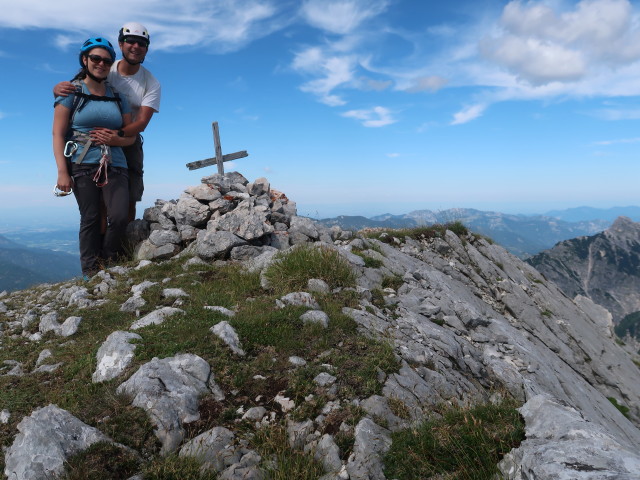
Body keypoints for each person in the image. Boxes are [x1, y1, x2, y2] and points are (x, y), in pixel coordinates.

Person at [54, 22, 161, 222]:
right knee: (99, 202)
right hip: (93, 138)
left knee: (129, 197)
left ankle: (124, 246)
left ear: (146, 49)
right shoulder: (105, 64)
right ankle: (102, 249)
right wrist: (58, 89)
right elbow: (81, 85)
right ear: (121, 44)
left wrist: (117, 136)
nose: (136, 46)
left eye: (141, 43)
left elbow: (142, 123)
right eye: (131, 41)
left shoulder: (151, 82)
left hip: (128, 139)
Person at [53, 37, 135, 278]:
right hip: (81, 162)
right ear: (85, 60)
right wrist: (62, 172)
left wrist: (115, 140)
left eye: (106, 61)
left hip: (116, 162)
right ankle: (91, 271)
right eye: (96, 58)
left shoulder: (119, 97)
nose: (101, 64)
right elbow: (57, 134)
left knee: (119, 216)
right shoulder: (71, 92)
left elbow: (130, 136)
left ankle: (109, 262)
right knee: (90, 217)